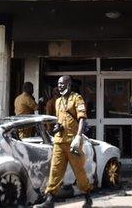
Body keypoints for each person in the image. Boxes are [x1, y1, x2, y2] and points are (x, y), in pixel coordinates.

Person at [34, 75, 93, 208]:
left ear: (69, 84)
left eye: (62, 83)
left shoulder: (76, 98)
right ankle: (50, 199)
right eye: (58, 84)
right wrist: (56, 127)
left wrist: (78, 136)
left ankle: (87, 196)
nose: (59, 86)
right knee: (55, 170)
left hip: (73, 141)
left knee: (79, 171)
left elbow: (82, 118)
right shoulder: (57, 101)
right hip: (59, 141)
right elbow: (60, 120)